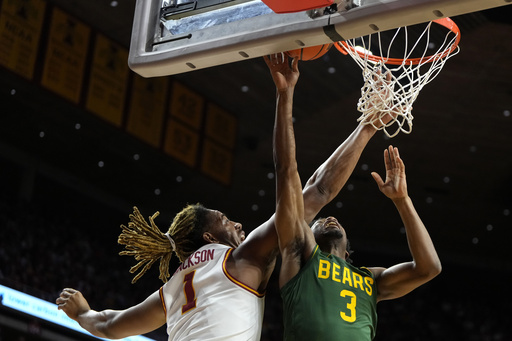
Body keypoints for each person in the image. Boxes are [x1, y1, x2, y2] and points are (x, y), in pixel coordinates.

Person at [55, 54, 393, 340]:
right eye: (224, 220)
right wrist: (366, 126)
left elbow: (110, 325)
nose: (237, 223)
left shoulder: (173, 289)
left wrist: (82, 313)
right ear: (208, 236)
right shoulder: (241, 260)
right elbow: (315, 190)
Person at [271, 53, 442, 340]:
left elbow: (428, 269)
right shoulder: (299, 253)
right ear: (307, 235)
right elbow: (288, 172)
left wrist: (403, 201)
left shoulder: (370, 279)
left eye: (328, 218)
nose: (331, 218)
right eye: (320, 221)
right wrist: (285, 94)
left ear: (349, 251)